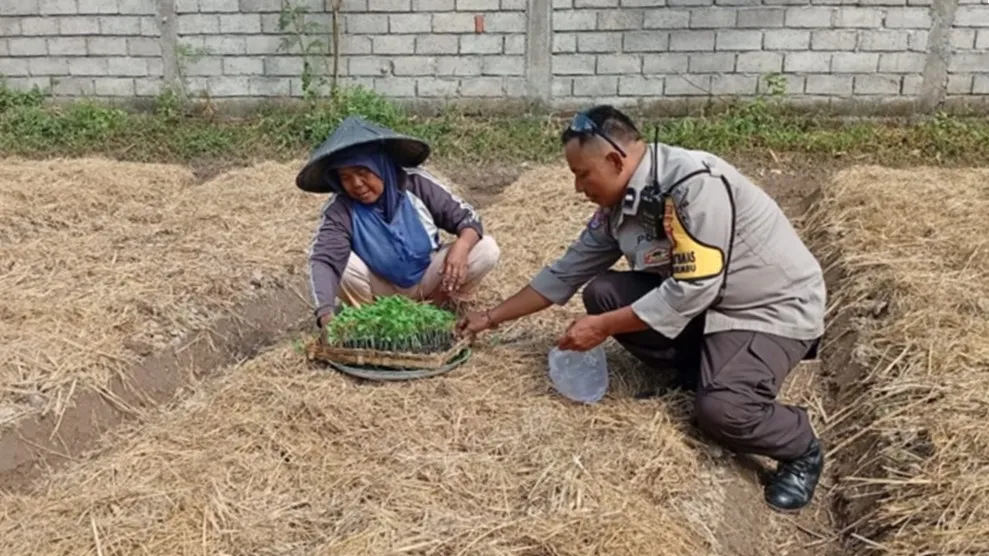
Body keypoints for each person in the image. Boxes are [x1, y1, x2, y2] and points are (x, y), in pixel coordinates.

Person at [456, 105, 827, 513]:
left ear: (615, 160)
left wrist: (602, 327)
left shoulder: (693, 185)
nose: (579, 187)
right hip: (708, 305)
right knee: (604, 293)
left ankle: (800, 448)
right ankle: (694, 370)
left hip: (765, 308)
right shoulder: (621, 205)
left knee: (722, 410)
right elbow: (566, 273)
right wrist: (489, 319)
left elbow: (695, 287)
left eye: (583, 174)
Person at [297, 115, 500, 329]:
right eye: (345, 177)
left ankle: (441, 307)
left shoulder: (415, 184)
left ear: (380, 165)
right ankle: (374, 321)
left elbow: (468, 218)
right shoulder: (341, 208)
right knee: (339, 263)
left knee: (485, 248)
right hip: (380, 288)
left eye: (362, 172)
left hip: (429, 277)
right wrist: (325, 314)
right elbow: (323, 260)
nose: (356, 184)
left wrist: (462, 245)